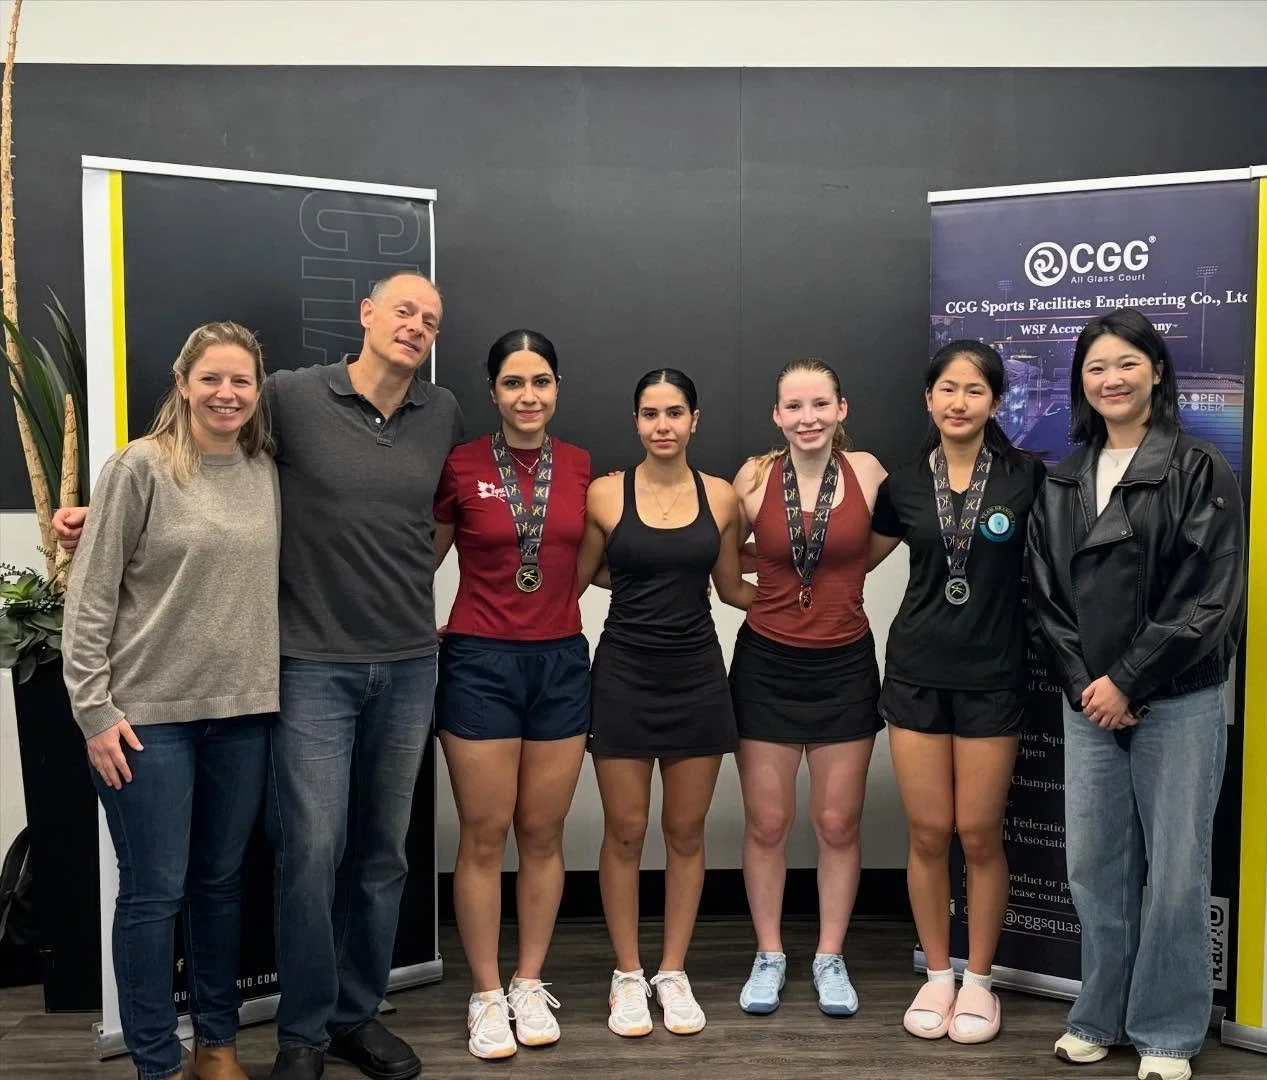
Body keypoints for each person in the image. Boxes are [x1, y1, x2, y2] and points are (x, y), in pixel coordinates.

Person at [54, 270, 465, 1080]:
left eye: (430, 317)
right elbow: (183, 468)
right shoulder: (290, 397)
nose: (415, 324)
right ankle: (297, 1035)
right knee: (307, 853)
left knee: (380, 856)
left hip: (390, 668)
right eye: (403, 309)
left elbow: (443, 516)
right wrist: (94, 519)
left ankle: (351, 1016)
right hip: (301, 669)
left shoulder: (440, 412)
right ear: (367, 315)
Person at [1027, 309, 1244, 1080]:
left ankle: (1168, 1031)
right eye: (1095, 367)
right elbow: (1045, 596)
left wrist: (1128, 680)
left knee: (1178, 872)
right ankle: (1100, 1014)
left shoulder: (1198, 468)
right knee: (1095, 866)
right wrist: (1090, 684)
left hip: (1177, 697)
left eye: (1126, 363)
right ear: (1081, 383)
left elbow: (1209, 599)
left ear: (1155, 370)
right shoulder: (1061, 477)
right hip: (1088, 702)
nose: (1111, 379)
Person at [61, 322, 280, 1080]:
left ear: (259, 392)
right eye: (212, 378)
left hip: (244, 713)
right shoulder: (140, 467)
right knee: (154, 893)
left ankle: (215, 1045)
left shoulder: (266, 470)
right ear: (182, 383)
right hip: (146, 721)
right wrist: (94, 711)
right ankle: (157, 1060)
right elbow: (89, 596)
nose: (227, 393)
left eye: (242, 382)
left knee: (220, 887)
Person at [867, 340, 1046, 1045]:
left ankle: (979, 980)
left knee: (977, 833)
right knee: (927, 833)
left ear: (994, 403)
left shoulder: (1028, 478)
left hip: (993, 675)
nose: (959, 402)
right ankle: (937, 975)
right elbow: (850, 556)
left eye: (974, 390)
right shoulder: (904, 483)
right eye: (947, 388)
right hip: (914, 671)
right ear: (928, 399)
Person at [575, 368, 754, 1039]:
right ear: (636, 422)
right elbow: (589, 571)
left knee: (684, 833)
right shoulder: (606, 495)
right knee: (624, 831)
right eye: (650, 414)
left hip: (697, 680)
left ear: (695, 420)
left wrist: (815, 589)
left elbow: (734, 588)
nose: (662, 426)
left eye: (674, 413)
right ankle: (627, 974)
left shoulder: (723, 496)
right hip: (621, 675)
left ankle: (671, 971)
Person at [431, 330, 592, 1061]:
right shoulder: (461, 466)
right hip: (481, 661)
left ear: (557, 388)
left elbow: (604, 562)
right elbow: (416, 557)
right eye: (514, 383)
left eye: (542, 382)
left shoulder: (585, 468)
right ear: (493, 392)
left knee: (543, 834)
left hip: (560, 663)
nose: (529, 396)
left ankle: (530, 980)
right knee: (485, 835)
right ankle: (487, 992)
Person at [728, 358, 887, 1018]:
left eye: (820, 404)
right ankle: (769, 953)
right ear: (777, 416)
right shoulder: (754, 476)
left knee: (836, 822)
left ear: (841, 409)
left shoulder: (870, 472)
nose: (808, 418)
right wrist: (773, 582)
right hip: (766, 665)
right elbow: (726, 551)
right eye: (794, 406)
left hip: (844, 665)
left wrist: (833, 586)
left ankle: (828, 955)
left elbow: (873, 545)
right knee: (768, 823)